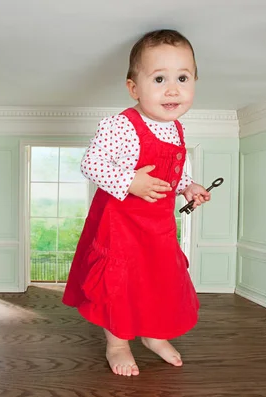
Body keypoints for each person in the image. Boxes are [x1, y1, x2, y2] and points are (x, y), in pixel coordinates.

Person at [62, 29, 212, 377]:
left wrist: (188, 188)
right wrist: (130, 180)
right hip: (120, 225)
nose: (172, 88)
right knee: (120, 284)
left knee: (159, 281)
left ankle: (154, 334)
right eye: (159, 78)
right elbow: (91, 163)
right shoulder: (121, 126)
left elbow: (175, 173)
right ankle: (117, 343)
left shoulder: (176, 129)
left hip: (158, 226)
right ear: (134, 88)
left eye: (182, 78)